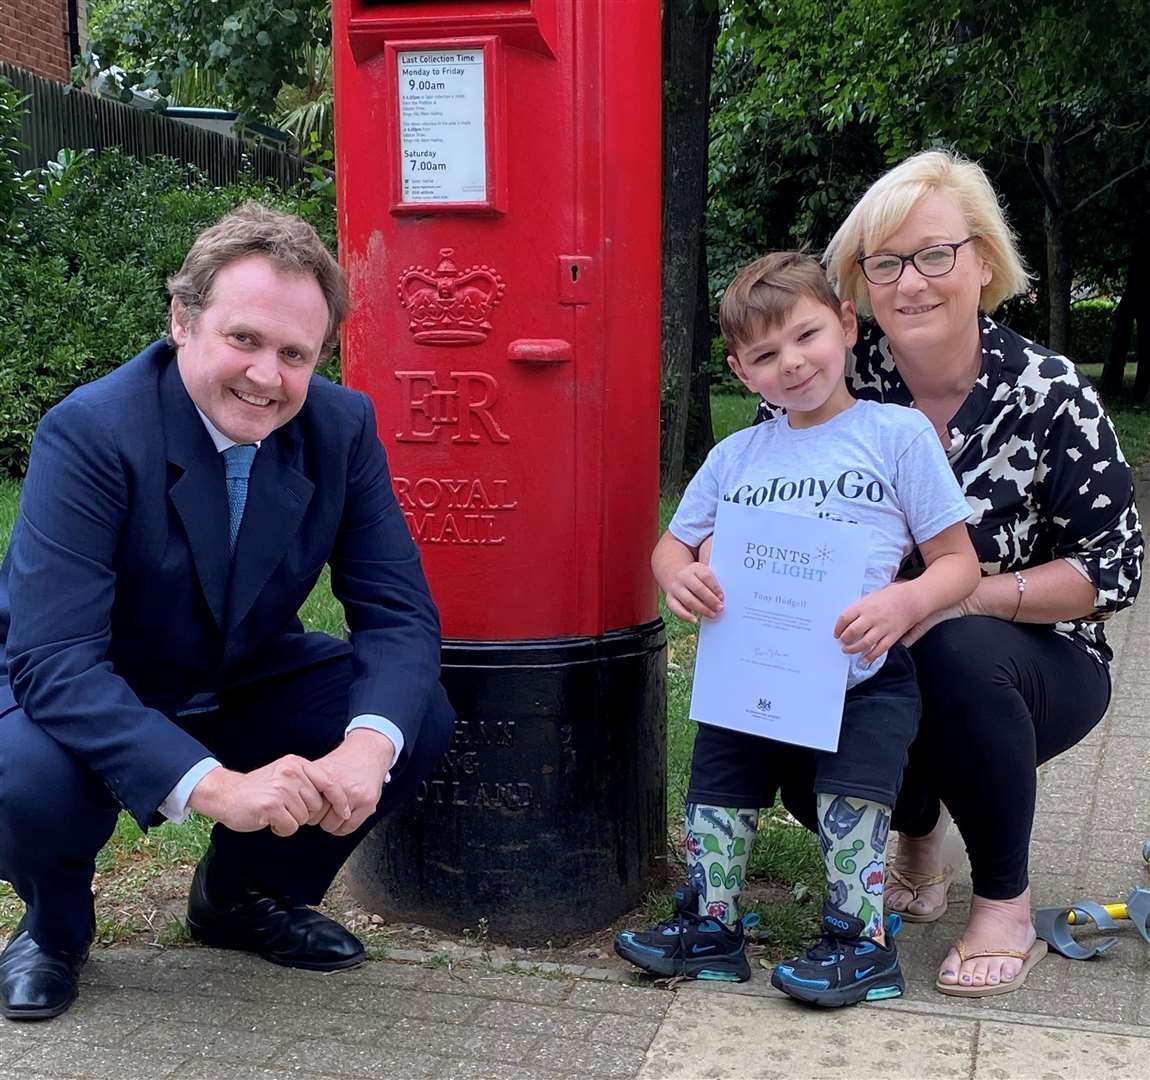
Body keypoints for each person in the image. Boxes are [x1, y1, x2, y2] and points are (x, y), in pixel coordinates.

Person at [0, 203, 454, 1021]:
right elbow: (53, 662)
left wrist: (363, 749)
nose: (267, 377)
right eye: (243, 339)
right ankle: (54, 928)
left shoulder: (340, 427)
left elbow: (397, 614)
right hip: (84, 682)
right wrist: (213, 787)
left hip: (239, 671)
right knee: (28, 776)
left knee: (410, 712)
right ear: (182, 319)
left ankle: (243, 898)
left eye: (295, 354)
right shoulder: (92, 433)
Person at [777, 149, 1143, 996]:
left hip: (1031, 657)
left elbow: (1113, 569)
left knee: (957, 653)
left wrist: (960, 594)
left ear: (983, 261)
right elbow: (762, 505)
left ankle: (1004, 904)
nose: (912, 282)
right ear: (860, 282)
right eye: (886, 262)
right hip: (867, 646)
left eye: (935, 254)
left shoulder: (1052, 394)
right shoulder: (832, 379)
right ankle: (912, 838)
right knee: (786, 703)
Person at [614, 251, 979, 1007]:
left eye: (807, 336)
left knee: (852, 802)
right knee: (718, 789)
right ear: (742, 372)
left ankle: (859, 941)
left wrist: (904, 605)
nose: (792, 364)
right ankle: (711, 925)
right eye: (765, 355)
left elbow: (957, 563)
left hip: (862, 669)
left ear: (846, 326)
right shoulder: (736, 454)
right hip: (750, 667)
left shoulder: (897, 436)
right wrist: (677, 574)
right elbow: (672, 544)